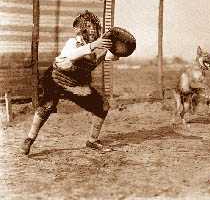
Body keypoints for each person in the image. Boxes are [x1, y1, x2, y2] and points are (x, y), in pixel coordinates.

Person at [21, 10, 133, 155]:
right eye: (89, 28)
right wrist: (95, 45)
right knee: (47, 106)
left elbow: (113, 56)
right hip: (56, 78)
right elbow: (72, 56)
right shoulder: (73, 42)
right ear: (82, 30)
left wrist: (117, 48)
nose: (93, 31)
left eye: (94, 28)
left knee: (102, 106)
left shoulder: (98, 46)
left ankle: (92, 141)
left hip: (76, 84)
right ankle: (29, 139)